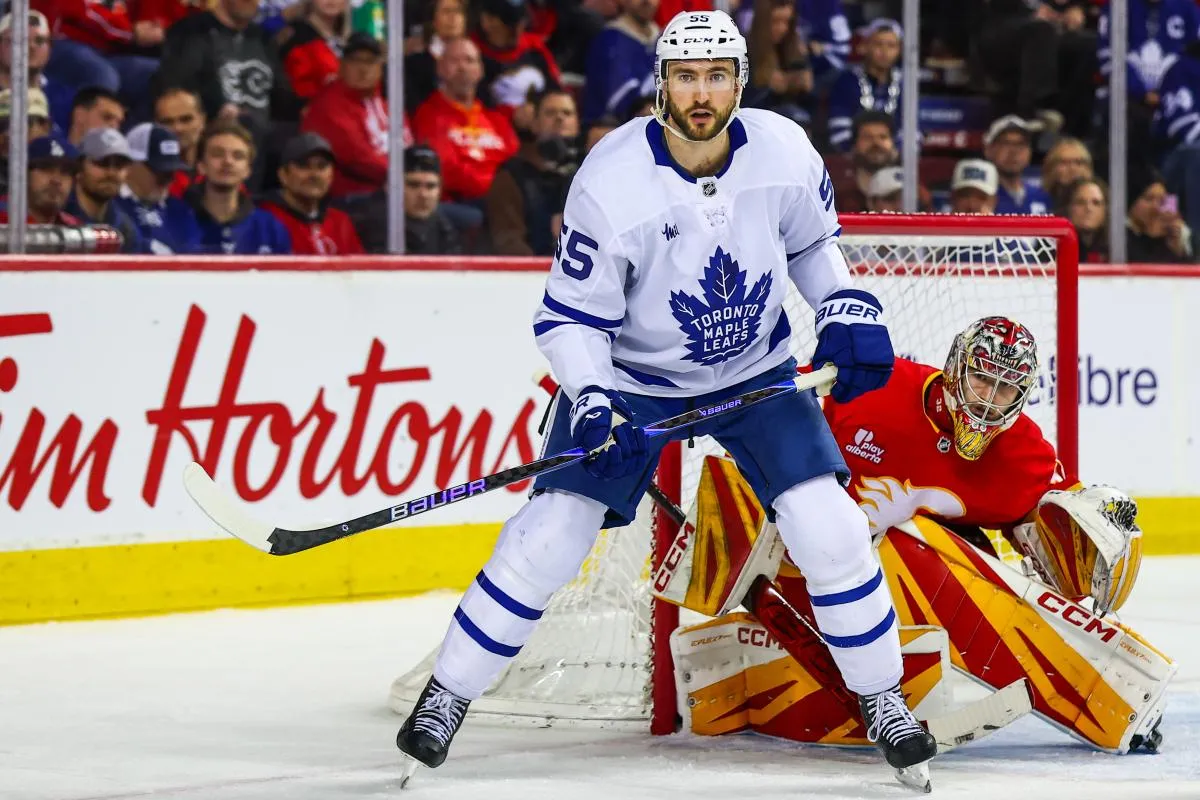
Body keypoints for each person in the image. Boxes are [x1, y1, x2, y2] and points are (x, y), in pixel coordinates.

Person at [395, 9, 935, 790]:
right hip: (635, 387)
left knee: (832, 530)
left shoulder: (782, 149)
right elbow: (570, 321)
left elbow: (814, 248)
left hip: (755, 374)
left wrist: (846, 306)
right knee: (548, 537)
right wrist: (594, 398)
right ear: (661, 84)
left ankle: (883, 699)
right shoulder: (611, 183)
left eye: (717, 75)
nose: (702, 92)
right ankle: (447, 697)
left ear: (740, 81)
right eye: (686, 76)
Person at [661, 317, 1157, 755]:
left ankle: (1119, 697)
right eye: (982, 378)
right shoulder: (870, 387)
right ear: (955, 367)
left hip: (886, 594)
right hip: (801, 563)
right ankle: (750, 668)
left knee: (938, 564)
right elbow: (772, 433)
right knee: (908, 540)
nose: (989, 399)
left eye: (1005, 389)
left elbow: (1060, 537)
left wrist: (1091, 532)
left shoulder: (1023, 457)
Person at [486, 89, 580, 255]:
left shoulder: (591, 174)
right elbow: (508, 242)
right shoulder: (511, 176)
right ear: (534, 124)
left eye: (567, 113)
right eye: (550, 113)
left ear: (577, 124)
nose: (560, 118)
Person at [186, 120, 292, 254]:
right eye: (218, 154)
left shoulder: (271, 228)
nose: (228, 162)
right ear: (201, 165)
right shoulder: (177, 221)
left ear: (248, 170)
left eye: (238, 156)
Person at [259, 132, 364, 254]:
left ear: (331, 175)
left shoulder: (340, 221)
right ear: (283, 175)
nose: (314, 175)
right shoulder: (264, 221)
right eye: (304, 166)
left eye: (322, 166)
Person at [116, 123, 202, 254]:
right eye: (160, 172)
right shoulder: (111, 207)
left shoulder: (180, 211)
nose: (168, 180)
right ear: (130, 164)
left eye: (171, 172)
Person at [66, 127, 144, 253]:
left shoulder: (125, 229)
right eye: (102, 163)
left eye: (119, 165)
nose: (111, 173)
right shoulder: (59, 215)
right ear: (79, 167)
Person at [0, 134, 81, 224]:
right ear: (24, 174)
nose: (56, 180)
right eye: (45, 168)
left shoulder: (73, 227)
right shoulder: (3, 218)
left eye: (65, 172)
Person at [984, 115, 1051, 215]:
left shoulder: (1043, 196)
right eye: (1006, 143)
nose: (1014, 151)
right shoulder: (980, 196)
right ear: (989, 150)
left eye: (1021, 144)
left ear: (1030, 152)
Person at [402, 145, 463, 254]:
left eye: (431, 186)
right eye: (413, 185)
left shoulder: (446, 228)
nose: (423, 194)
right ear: (391, 187)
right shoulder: (372, 225)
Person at [1059, 177, 1109, 262]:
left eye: (1096, 203)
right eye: (1080, 202)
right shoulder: (1051, 246)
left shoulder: (1120, 245)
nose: (1088, 208)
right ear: (1069, 208)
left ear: (1105, 210)